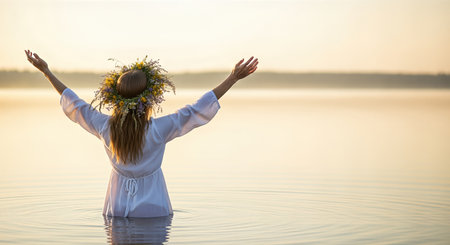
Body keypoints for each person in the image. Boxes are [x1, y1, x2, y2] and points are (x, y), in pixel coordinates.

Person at [24, 50, 258, 218]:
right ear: (149, 99)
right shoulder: (158, 129)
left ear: (115, 99)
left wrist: (46, 71)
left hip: (116, 209)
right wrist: (233, 78)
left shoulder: (105, 126)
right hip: (154, 208)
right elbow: (196, 110)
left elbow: (75, 103)